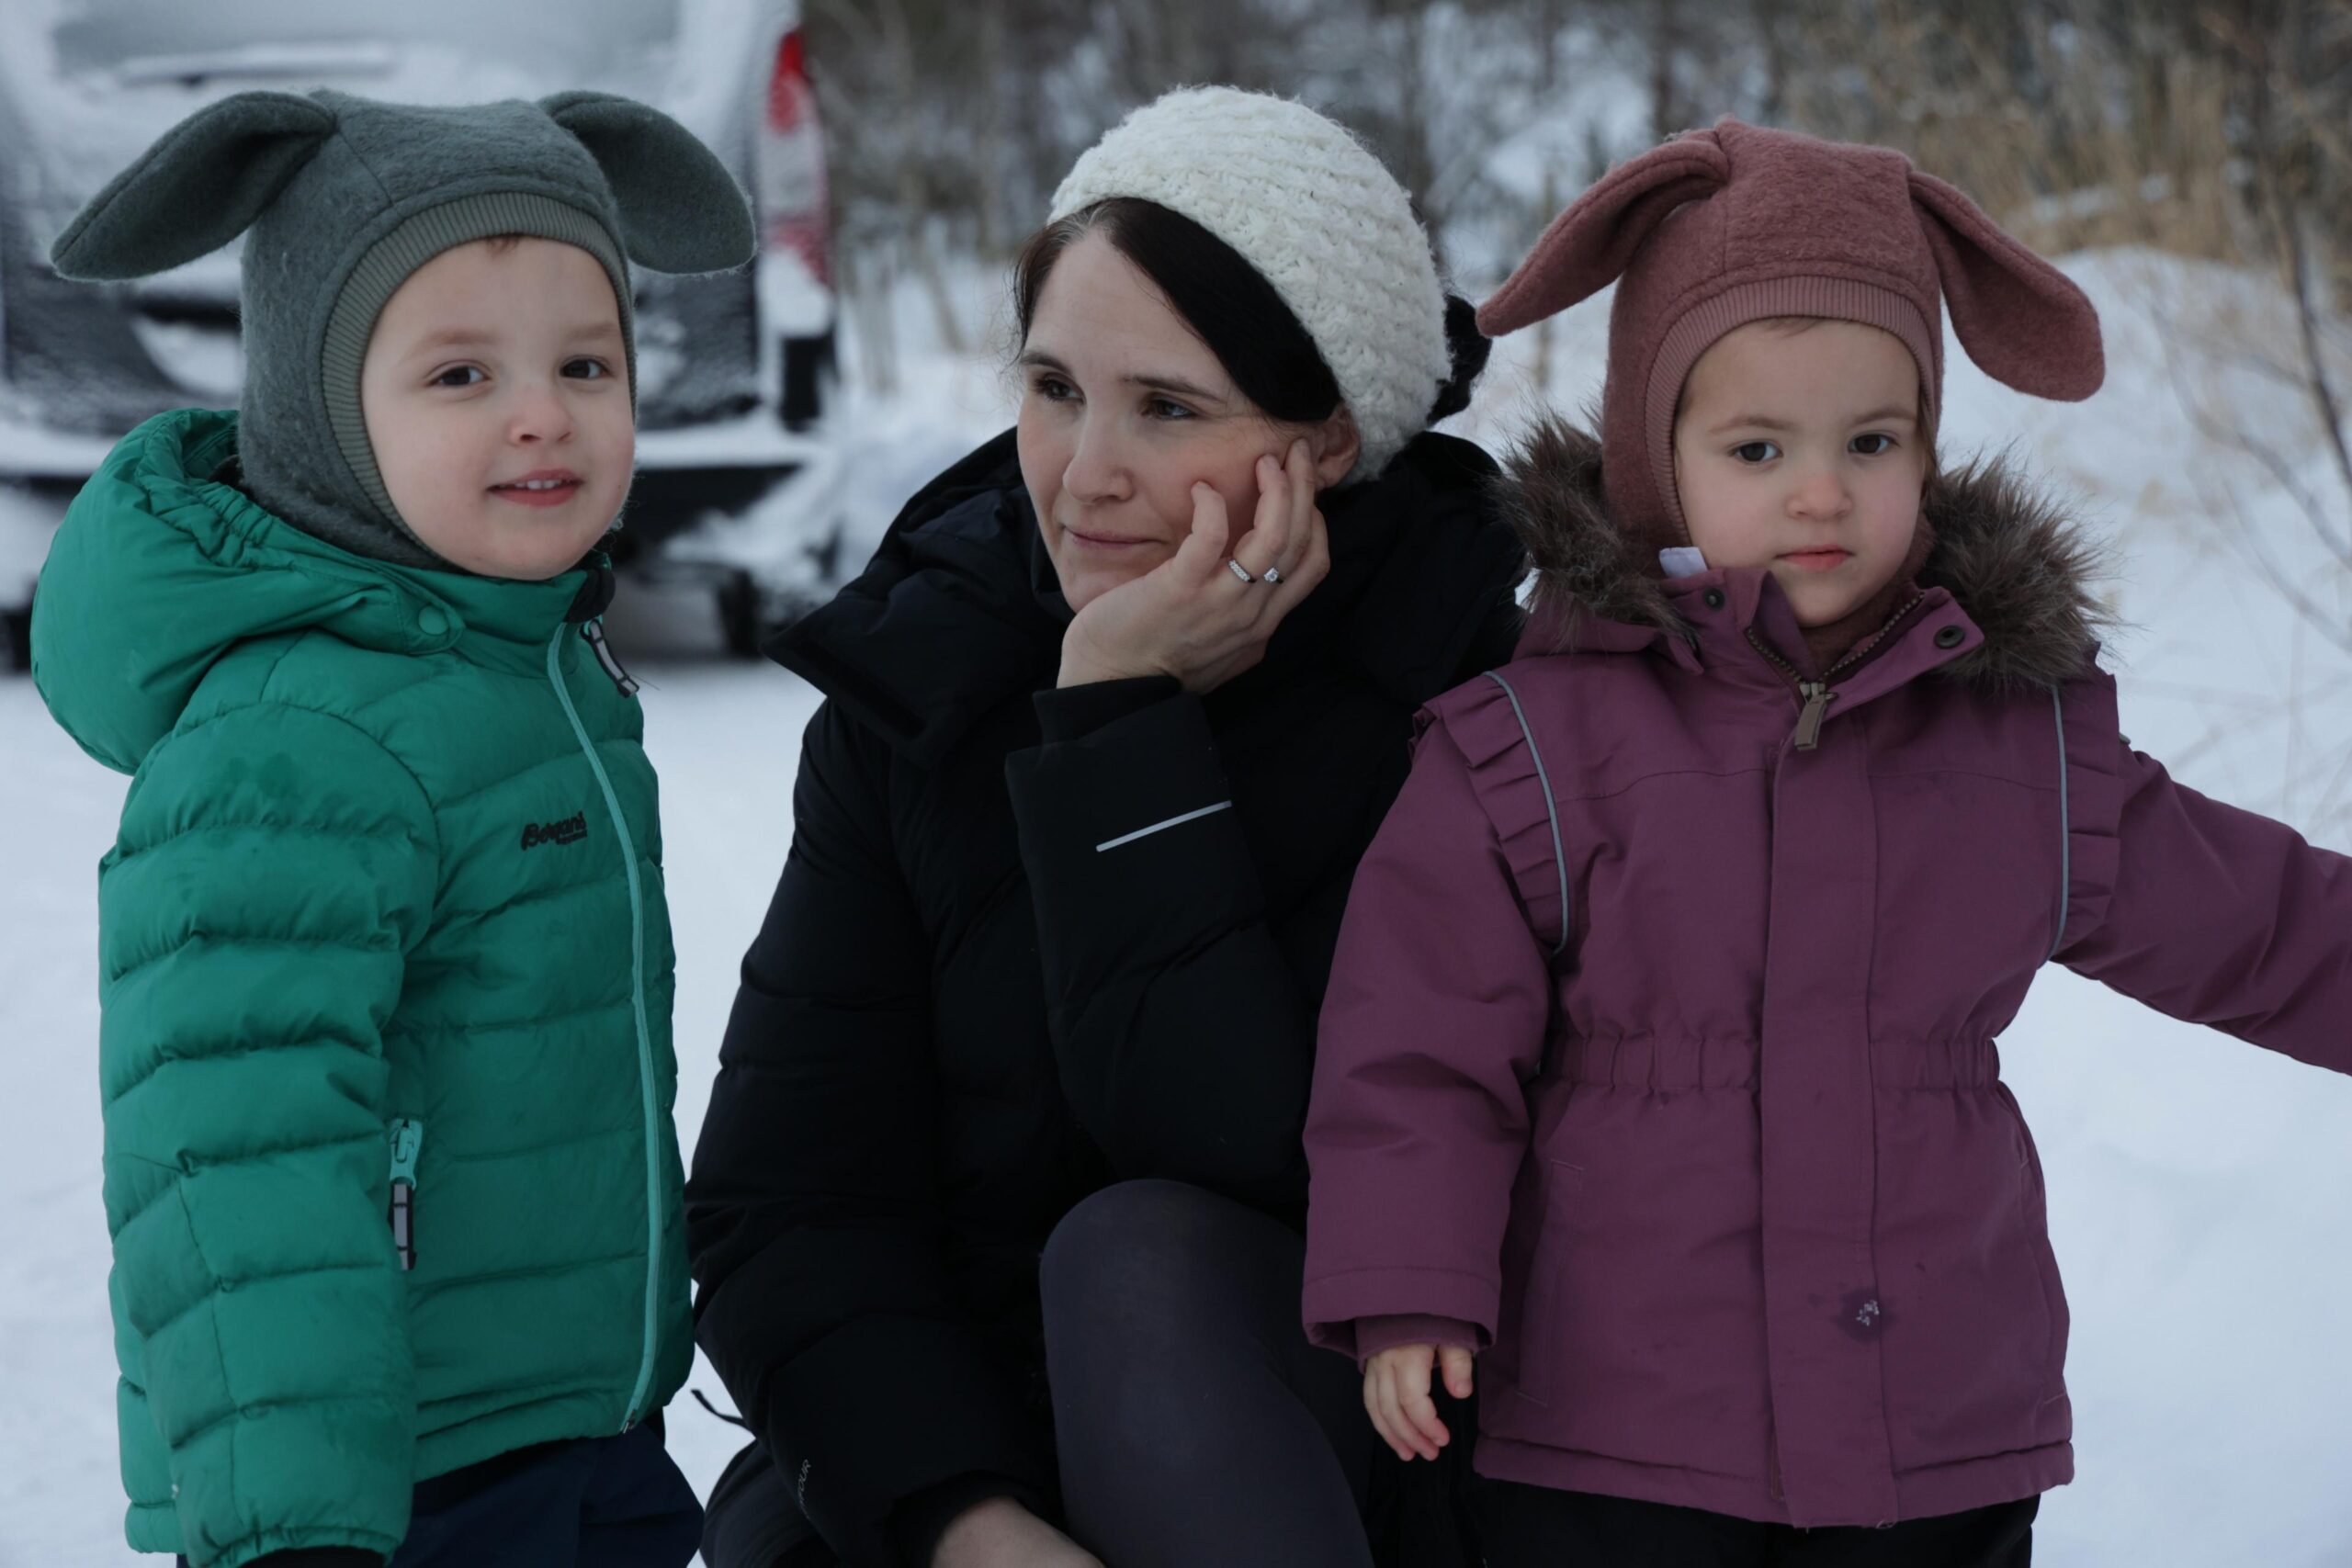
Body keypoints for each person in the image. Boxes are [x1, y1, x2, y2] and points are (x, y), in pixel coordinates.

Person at [1299, 118, 2352, 1568]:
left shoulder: (2018, 744)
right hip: (1617, 1440)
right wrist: (1410, 1286)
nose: (1820, 491)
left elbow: (2266, 923)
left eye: (1873, 441)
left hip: (1936, 1435)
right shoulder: (1532, 752)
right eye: (1757, 446)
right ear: (1654, 458)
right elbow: (1415, 1046)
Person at [686, 85, 1522, 1568]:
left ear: (1326, 441)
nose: (1084, 474)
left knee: (1134, 1257)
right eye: (1055, 386)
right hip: (961, 1455)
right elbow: (789, 1199)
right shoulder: (919, 689)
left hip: (1342, 1461)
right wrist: (963, 1518)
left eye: (1169, 409)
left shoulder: (1471, 710)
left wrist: (1122, 734)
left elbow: (1242, 1163)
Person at [30, 87, 753, 1568]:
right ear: (318, 412)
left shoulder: (524, 665)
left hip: (577, 1428)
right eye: (460, 374)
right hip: (390, 1488)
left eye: (586, 361)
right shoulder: (297, 741)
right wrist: (299, 1529)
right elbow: (234, 1158)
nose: (542, 410)